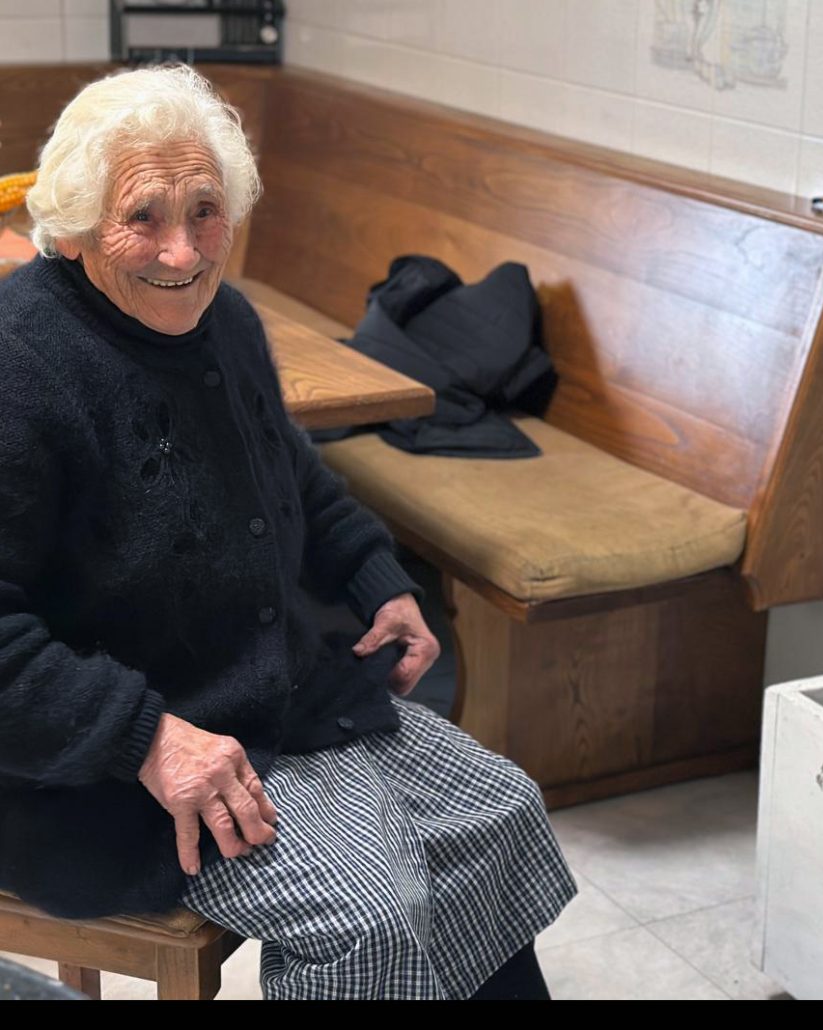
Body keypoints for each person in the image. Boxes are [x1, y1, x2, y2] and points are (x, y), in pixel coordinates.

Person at [0, 64, 577, 1000]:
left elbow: (285, 466)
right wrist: (147, 739)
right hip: (99, 774)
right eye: (143, 216)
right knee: (370, 915)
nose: (183, 251)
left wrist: (373, 575)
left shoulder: (222, 318)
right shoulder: (21, 366)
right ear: (71, 227)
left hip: (264, 688)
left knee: (501, 812)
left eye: (206, 211)